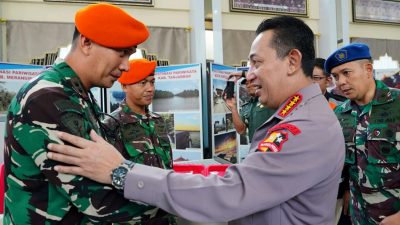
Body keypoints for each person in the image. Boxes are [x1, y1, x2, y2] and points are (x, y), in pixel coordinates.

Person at [47, 15, 345, 225]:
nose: (249, 73)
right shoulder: (294, 116)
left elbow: (233, 191)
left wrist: (122, 172)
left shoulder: (305, 127)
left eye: (256, 62)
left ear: (292, 61)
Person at [2, 3, 163, 225]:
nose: (127, 66)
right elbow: (96, 198)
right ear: (86, 42)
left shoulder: (77, 93)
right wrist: (173, 201)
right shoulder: (48, 98)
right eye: (121, 53)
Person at [325, 43, 400, 225]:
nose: (341, 81)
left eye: (346, 73)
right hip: (359, 216)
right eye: (335, 76)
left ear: (368, 69)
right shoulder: (340, 114)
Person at [106, 58, 176, 224]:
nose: (150, 88)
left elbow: (168, 162)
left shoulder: (158, 120)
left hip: (165, 212)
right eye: (142, 83)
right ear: (124, 86)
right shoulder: (112, 124)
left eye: (152, 82)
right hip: (133, 216)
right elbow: (110, 176)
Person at [313, 58, 351, 225]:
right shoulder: (293, 107)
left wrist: (349, 188)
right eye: (308, 78)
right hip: (307, 187)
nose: (311, 83)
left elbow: (351, 149)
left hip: (336, 186)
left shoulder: (342, 106)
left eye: (316, 78)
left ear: (328, 80)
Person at [224, 71, 275, 142]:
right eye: (247, 83)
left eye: (252, 81)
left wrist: (243, 74)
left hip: (274, 145)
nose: (249, 85)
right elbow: (241, 131)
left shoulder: (269, 98)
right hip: (255, 148)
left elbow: (270, 79)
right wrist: (233, 108)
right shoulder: (246, 107)